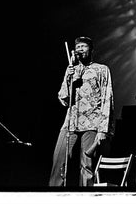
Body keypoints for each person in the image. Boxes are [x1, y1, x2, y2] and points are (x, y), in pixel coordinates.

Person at [49, 36, 114, 187]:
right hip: (71, 121)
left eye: (83, 46)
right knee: (59, 161)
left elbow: (107, 98)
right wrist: (69, 78)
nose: (80, 49)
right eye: (78, 47)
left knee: (87, 165)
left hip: (92, 121)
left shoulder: (102, 69)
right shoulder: (71, 70)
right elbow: (63, 98)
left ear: (91, 50)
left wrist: (103, 129)